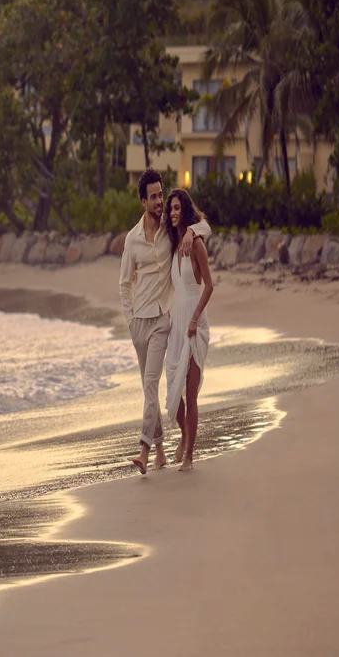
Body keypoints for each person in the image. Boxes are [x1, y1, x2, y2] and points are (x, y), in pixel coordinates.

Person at [119, 169, 211, 475]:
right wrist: (130, 318)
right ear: (143, 200)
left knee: (158, 384)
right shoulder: (140, 239)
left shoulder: (177, 234)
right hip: (144, 321)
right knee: (160, 389)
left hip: (169, 319)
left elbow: (203, 225)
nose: (162, 203)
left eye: (164, 197)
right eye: (156, 197)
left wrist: (191, 230)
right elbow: (124, 283)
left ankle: (153, 450)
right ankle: (162, 447)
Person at [163, 188, 214, 472]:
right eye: (170, 208)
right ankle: (183, 434)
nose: (172, 212)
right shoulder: (174, 244)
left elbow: (210, 285)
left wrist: (195, 319)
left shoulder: (195, 244)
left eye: (177, 208)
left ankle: (190, 455)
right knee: (172, 385)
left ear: (186, 210)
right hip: (176, 324)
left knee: (190, 392)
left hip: (195, 323)